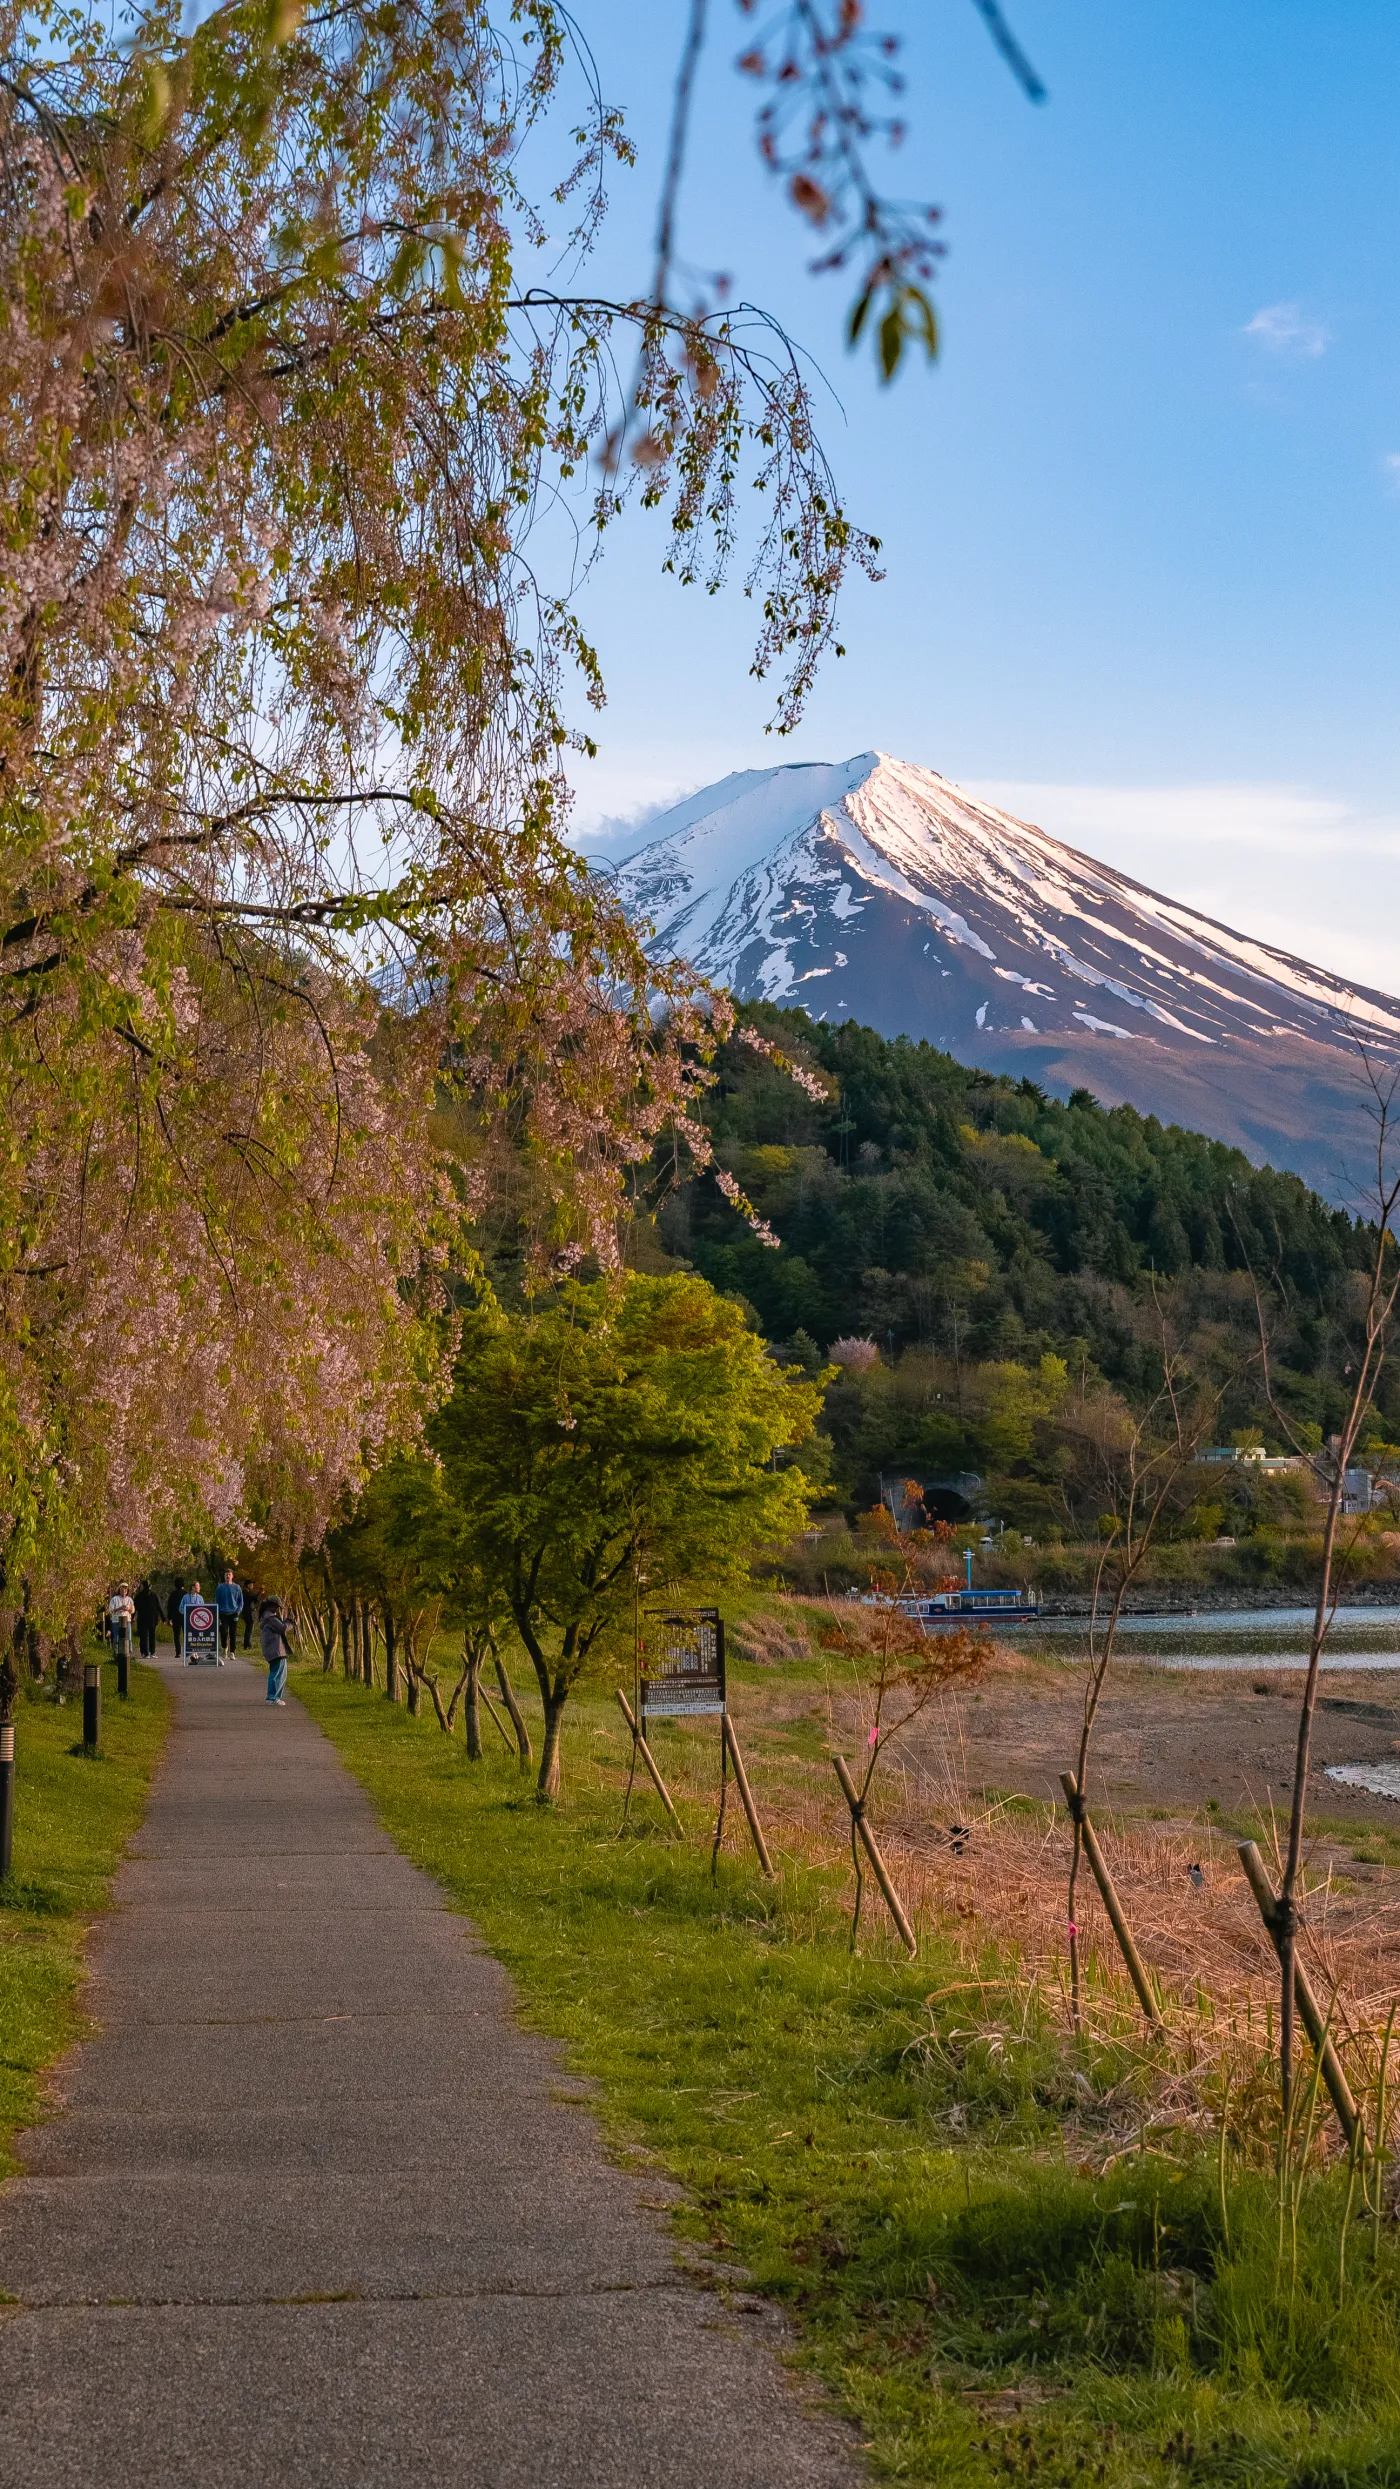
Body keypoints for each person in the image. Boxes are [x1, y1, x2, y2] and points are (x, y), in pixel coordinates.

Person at [259, 1596, 295, 1705]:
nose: (279, 1609)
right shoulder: (270, 1618)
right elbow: (283, 1628)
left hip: (275, 1649)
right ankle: (272, 1697)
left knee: (278, 1674)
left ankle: (274, 1697)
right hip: (276, 1650)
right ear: (272, 1606)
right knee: (278, 1675)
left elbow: (280, 1626)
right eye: (278, 1607)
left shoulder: (267, 1617)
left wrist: (287, 1621)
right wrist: (290, 1622)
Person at [215, 1567, 244, 1659]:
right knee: (223, 1632)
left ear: (232, 1576)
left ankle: (232, 1652)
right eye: (226, 1574)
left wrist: (238, 1611)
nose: (228, 1576)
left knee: (233, 1633)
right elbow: (217, 1601)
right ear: (224, 1576)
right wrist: (217, 1612)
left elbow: (241, 1601)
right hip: (223, 1613)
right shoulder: (220, 1587)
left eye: (229, 1574)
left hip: (234, 1613)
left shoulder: (237, 1587)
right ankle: (225, 1648)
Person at [107, 1581, 135, 1666]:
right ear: (120, 1590)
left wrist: (128, 1609)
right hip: (116, 1620)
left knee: (128, 1637)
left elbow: (133, 1610)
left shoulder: (129, 1599)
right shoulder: (114, 1599)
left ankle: (129, 1653)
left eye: (125, 1590)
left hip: (127, 1620)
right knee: (116, 1637)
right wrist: (119, 1608)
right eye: (122, 1590)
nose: (124, 1592)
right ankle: (116, 1654)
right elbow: (110, 1610)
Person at [133, 1579, 162, 1660]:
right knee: (152, 1635)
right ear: (150, 1586)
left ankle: (145, 1653)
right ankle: (152, 1652)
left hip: (142, 1618)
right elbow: (159, 1607)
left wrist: (132, 1617)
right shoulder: (154, 1595)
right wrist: (163, 1618)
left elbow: (135, 1608)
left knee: (144, 1636)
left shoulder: (139, 1595)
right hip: (152, 1618)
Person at [166, 1579, 185, 1658]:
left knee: (176, 1635)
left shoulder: (173, 1594)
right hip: (185, 1617)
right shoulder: (186, 1594)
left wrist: (169, 1618)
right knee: (186, 1634)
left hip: (175, 1617)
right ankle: (187, 1651)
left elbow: (169, 1606)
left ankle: (178, 1652)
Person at [240, 1581, 256, 1650]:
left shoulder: (247, 1592)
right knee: (249, 1629)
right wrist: (260, 1592)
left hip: (247, 1612)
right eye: (251, 1584)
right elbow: (255, 1599)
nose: (252, 1586)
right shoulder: (246, 1592)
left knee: (249, 1629)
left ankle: (247, 1644)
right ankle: (247, 1645)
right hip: (248, 1613)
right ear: (248, 1585)